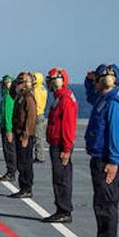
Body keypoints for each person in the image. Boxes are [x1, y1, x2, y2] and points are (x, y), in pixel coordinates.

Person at [82, 63, 119, 237]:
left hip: (106, 161)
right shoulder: (104, 98)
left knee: (106, 204)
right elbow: (91, 95)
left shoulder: (112, 103)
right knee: (101, 203)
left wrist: (114, 162)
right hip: (100, 158)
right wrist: (88, 80)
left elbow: (117, 135)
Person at [42, 68, 78, 223]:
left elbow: (68, 126)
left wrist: (66, 149)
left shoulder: (65, 99)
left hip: (60, 145)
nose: (48, 83)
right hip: (57, 144)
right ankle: (61, 208)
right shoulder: (59, 97)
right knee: (59, 177)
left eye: (50, 79)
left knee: (62, 178)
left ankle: (64, 210)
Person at [8, 72, 37, 199]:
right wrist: (16, 81)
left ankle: (27, 187)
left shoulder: (28, 98)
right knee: (21, 162)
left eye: (20, 83)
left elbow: (31, 118)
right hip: (19, 134)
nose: (18, 85)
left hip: (25, 136)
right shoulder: (21, 96)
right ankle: (23, 187)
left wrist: (25, 135)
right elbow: (12, 93)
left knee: (25, 163)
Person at [0, 75, 17, 182]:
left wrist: (9, 130)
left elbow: (8, 115)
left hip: (7, 128)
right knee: (9, 150)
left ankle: (11, 172)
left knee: (9, 150)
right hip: (6, 127)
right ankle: (11, 171)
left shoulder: (8, 97)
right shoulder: (8, 96)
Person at [32, 72, 49, 163]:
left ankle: (40, 156)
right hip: (41, 113)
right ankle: (39, 155)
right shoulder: (43, 88)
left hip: (36, 113)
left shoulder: (36, 90)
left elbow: (35, 102)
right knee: (39, 136)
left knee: (38, 137)